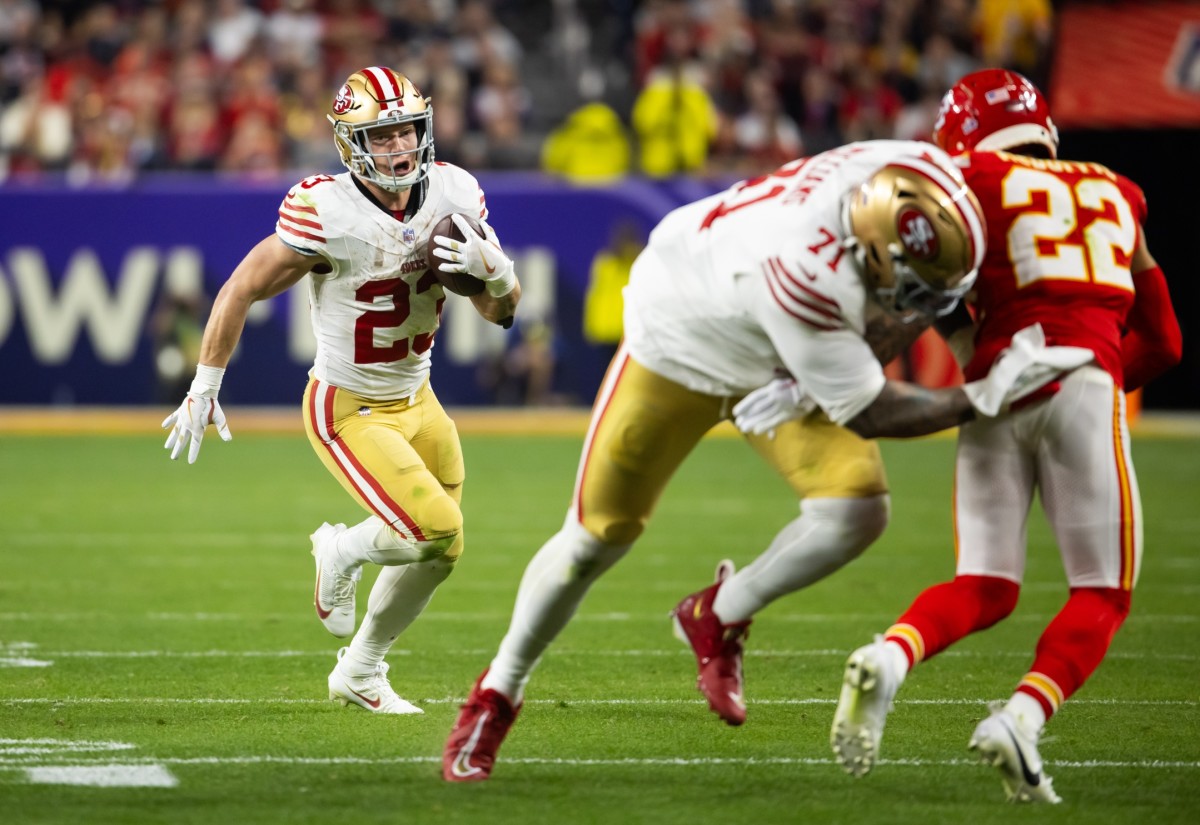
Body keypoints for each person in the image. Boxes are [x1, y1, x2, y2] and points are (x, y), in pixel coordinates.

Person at [442, 136, 1091, 782]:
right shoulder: (804, 273)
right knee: (594, 538)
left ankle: (717, 613)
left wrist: (967, 338)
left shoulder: (916, 180)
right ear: (869, 246)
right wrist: (980, 396)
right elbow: (871, 409)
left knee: (857, 511)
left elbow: (931, 298)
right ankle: (499, 689)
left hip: (784, 340)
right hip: (683, 341)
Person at [825, 69, 1182, 803]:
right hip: (1085, 377)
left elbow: (933, 294)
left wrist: (971, 354)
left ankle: (887, 657)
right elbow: (1167, 340)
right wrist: (1103, 374)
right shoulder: (1118, 189)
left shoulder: (965, 178)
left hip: (993, 387)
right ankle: (1022, 716)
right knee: (1103, 592)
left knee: (984, 583)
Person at [161, 66, 521, 714]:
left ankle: (361, 668)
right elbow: (242, 285)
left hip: (420, 398)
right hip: (350, 407)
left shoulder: (456, 193)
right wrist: (205, 383)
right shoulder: (326, 210)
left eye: (408, 130)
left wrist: (498, 279)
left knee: (443, 549)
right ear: (350, 143)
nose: (402, 147)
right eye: (382, 136)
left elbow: (501, 315)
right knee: (434, 525)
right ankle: (340, 547)